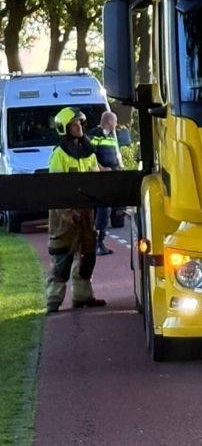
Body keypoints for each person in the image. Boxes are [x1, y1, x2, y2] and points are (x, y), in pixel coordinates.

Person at [46, 107, 106, 313]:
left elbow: (95, 178)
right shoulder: (59, 155)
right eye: (73, 124)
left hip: (87, 214)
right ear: (65, 129)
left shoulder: (89, 151)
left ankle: (82, 296)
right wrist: (66, 211)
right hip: (65, 218)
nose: (78, 127)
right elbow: (54, 188)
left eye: (80, 123)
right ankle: (53, 300)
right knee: (62, 256)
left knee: (88, 256)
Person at [89, 111, 123, 255]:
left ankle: (100, 242)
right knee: (102, 209)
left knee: (107, 209)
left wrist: (119, 166)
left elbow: (114, 154)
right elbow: (89, 155)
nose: (116, 124)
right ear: (109, 121)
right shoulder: (96, 134)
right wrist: (101, 168)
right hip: (100, 178)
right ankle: (97, 243)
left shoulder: (111, 137)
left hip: (111, 177)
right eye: (115, 121)